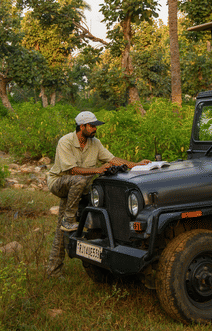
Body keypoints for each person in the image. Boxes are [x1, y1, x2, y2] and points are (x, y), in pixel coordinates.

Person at [45, 110, 149, 278]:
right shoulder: (66, 142)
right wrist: (98, 170)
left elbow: (112, 159)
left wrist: (136, 164)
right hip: (60, 183)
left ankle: (54, 269)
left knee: (62, 228)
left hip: (80, 188)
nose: (95, 129)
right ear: (82, 126)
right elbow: (71, 171)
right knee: (78, 181)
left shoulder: (95, 143)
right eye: (92, 126)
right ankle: (69, 219)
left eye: (95, 126)